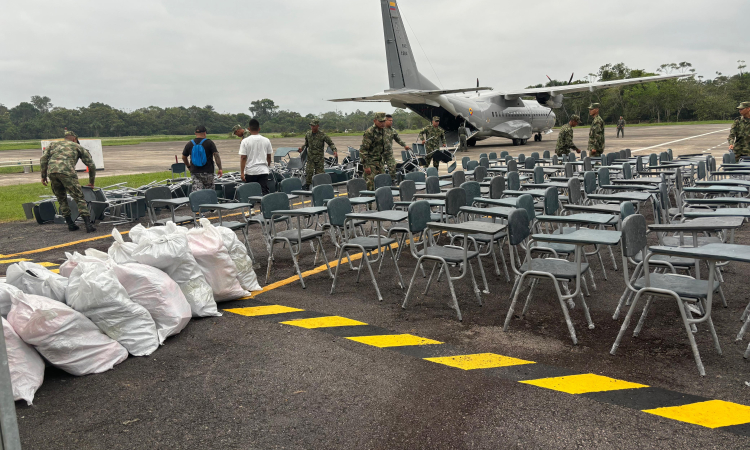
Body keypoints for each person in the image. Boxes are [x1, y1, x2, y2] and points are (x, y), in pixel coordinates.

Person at [40, 130, 97, 232]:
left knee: (61, 198)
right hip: (67, 172)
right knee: (79, 197)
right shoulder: (78, 147)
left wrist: (43, 176)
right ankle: (88, 225)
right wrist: (91, 182)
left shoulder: (53, 144)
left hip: (52, 172)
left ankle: (70, 224)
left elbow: (43, 159)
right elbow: (91, 165)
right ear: (75, 139)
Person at [182, 125, 223, 192]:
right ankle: (210, 201)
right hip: (208, 171)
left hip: (195, 171)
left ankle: (197, 202)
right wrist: (220, 168)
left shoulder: (189, 143)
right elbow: (216, 155)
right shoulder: (209, 142)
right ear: (205, 133)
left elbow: (183, 157)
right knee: (210, 191)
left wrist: (189, 166)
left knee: (197, 192)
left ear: (195, 133)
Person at [238, 119, 273, 195]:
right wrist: (268, 166)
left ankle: (252, 207)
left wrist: (242, 173)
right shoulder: (266, 140)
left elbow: (243, 157)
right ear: (259, 129)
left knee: (251, 193)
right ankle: (264, 206)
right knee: (264, 192)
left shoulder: (245, 141)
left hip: (251, 171)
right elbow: (269, 157)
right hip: (263, 170)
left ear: (249, 129)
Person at [300, 119, 337, 189]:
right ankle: (307, 186)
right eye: (311, 126)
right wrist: (302, 148)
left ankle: (319, 188)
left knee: (319, 174)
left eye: (314, 126)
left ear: (318, 126)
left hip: (319, 158)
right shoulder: (308, 134)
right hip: (310, 158)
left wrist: (334, 150)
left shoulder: (322, 135)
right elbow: (306, 144)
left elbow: (330, 143)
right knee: (309, 172)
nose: (312, 127)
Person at [359, 112, 388, 191]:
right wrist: (366, 165)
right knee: (370, 185)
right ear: (375, 121)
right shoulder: (370, 132)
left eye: (384, 121)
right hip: (371, 162)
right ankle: (369, 203)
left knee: (383, 183)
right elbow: (363, 150)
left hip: (380, 162)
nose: (383, 123)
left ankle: (382, 202)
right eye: (380, 121)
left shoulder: (383, 131)